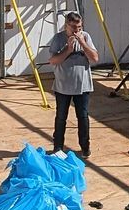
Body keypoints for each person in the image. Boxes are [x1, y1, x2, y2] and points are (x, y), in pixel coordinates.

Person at [42, 11, 99, 158]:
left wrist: (83, 43)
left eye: (79, 27)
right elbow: (53, 60)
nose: (76, 31)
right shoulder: (58, 38)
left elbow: (94, 58)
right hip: (63, 86)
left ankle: (85, 147)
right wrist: (68, 49)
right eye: (74, 27)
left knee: (83, 116)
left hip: (82, 86)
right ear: (66, 25)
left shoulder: (85, 37)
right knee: (61, 117)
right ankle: (58, 147)